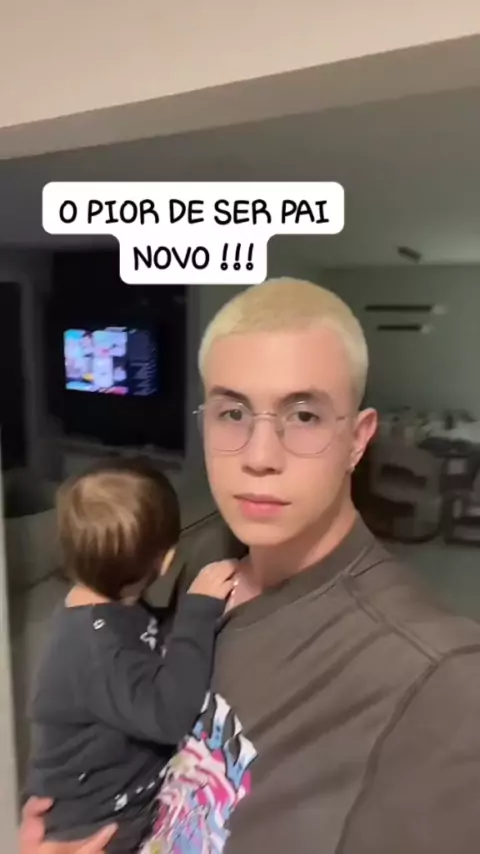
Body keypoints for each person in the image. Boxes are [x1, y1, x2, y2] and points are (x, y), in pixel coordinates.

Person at [21, 277, 480, 854]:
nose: (259, 457)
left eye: (305, 416)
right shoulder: (194, 574)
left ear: (358, 439)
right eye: (233, 412)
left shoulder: (440, 682)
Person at [25, 457, 237, 853]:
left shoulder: (104, 607)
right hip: (97, 826)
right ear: (165, 560)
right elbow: (168, 716)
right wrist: (198, 612)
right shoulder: (96, 651)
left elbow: (144, 641)